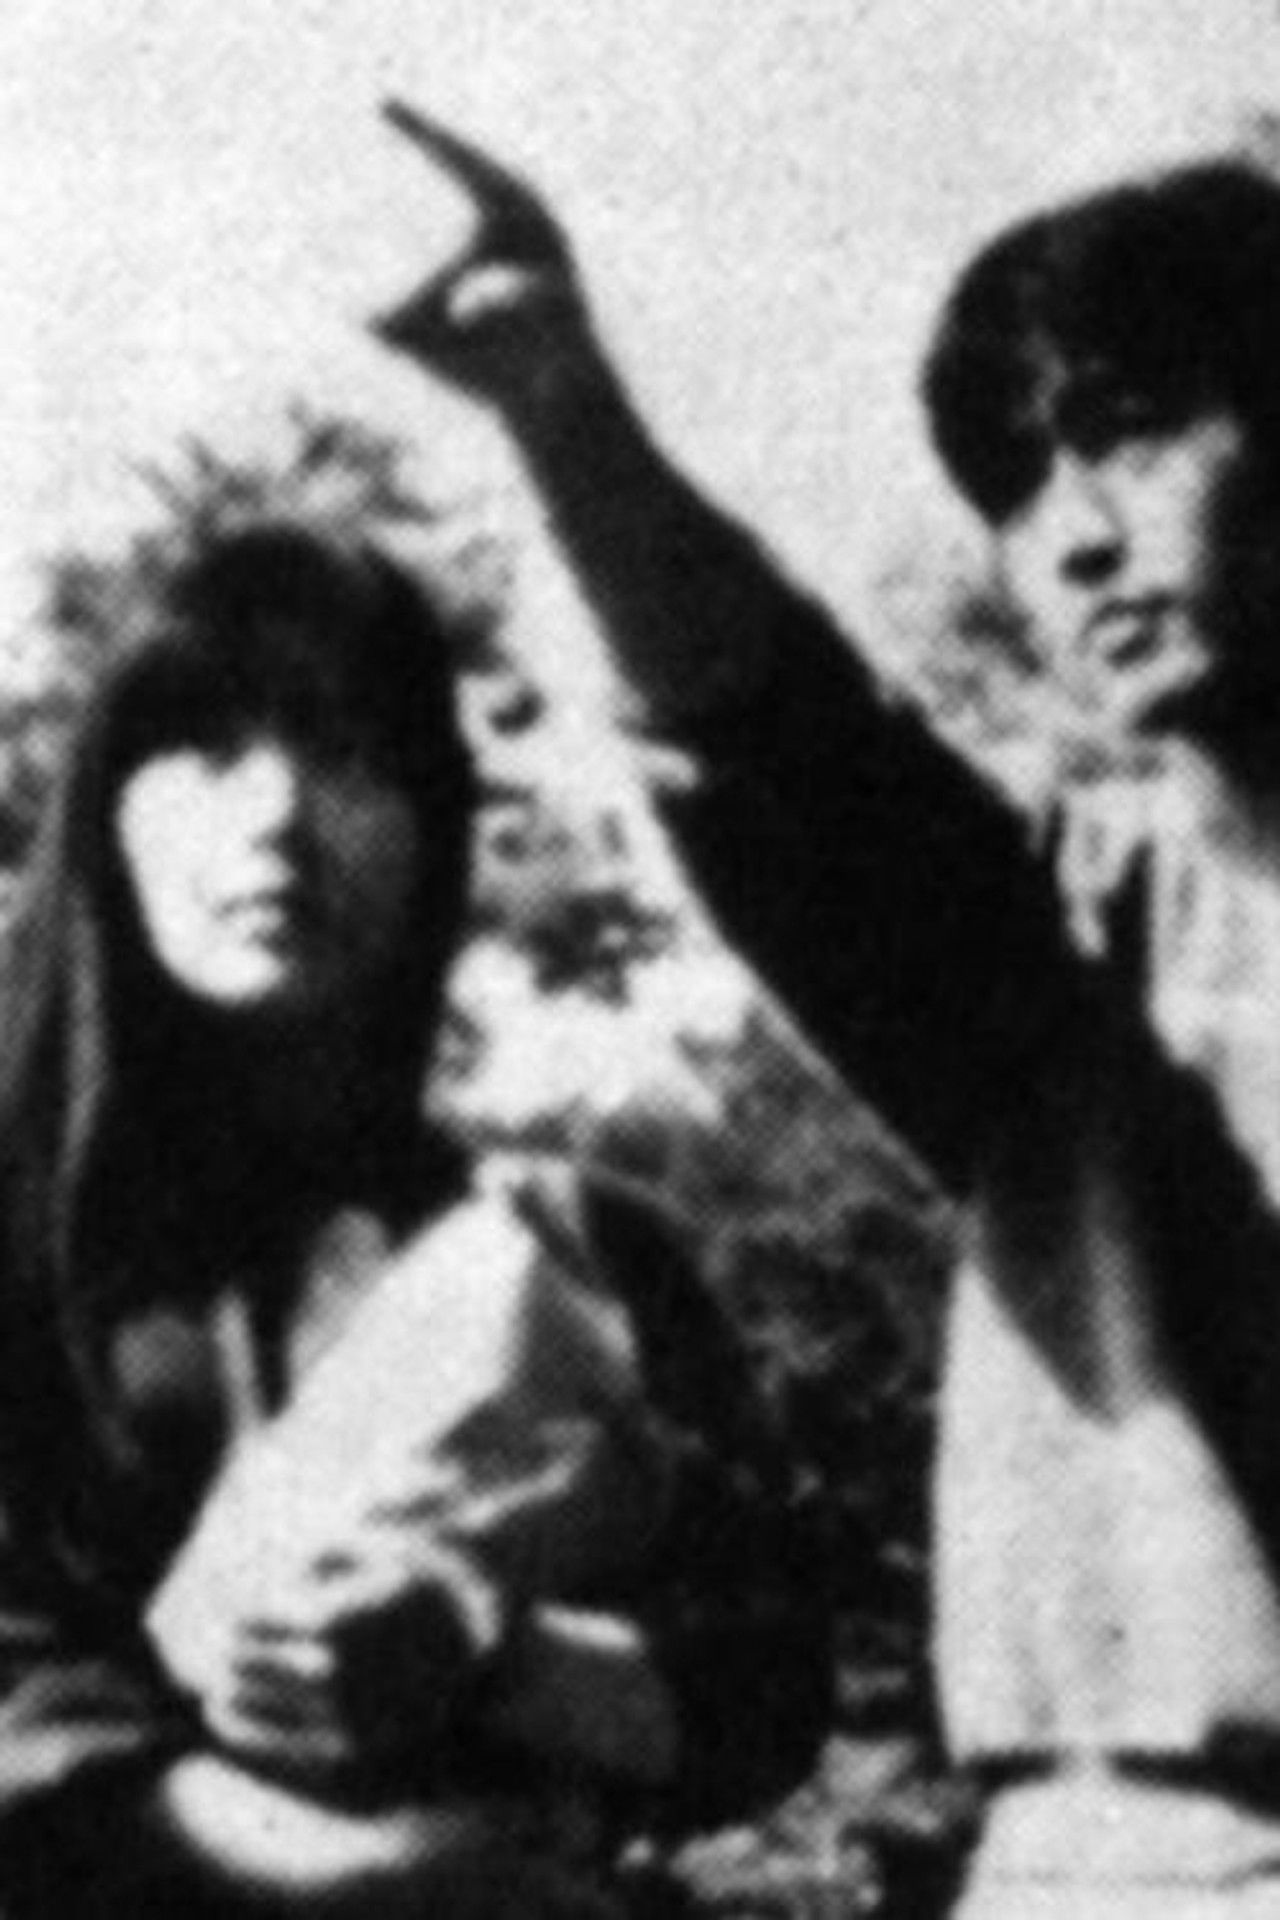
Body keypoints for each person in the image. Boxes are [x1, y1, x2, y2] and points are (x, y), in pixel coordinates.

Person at [374, 103, 1280, 1916]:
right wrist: (562, 404)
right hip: (1141, 1868)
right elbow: (787, 750)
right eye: (1014, 486)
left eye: (1129, 429)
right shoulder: (1050, 953)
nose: (1074, 537)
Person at [0, 519, 829, 1919]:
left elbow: (765, 1689)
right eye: (207, 750)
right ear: (106, 809)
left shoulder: (574, 1245)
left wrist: (478, 1636)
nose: (276, 813)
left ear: (436, 824)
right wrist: (346, 1871)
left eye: (345, 751)